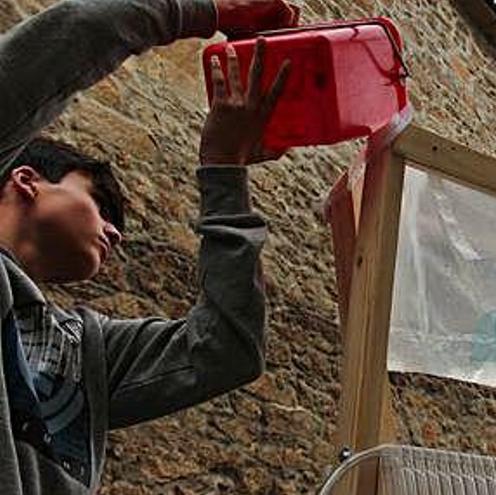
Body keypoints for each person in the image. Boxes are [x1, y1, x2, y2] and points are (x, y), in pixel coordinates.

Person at [0, 1, 294, 493]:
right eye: (98, 202)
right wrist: (207, 11)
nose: (115, 233)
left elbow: (226, 350)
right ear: (26, 179)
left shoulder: (86, 350)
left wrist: (224, 167)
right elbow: (60, 47)